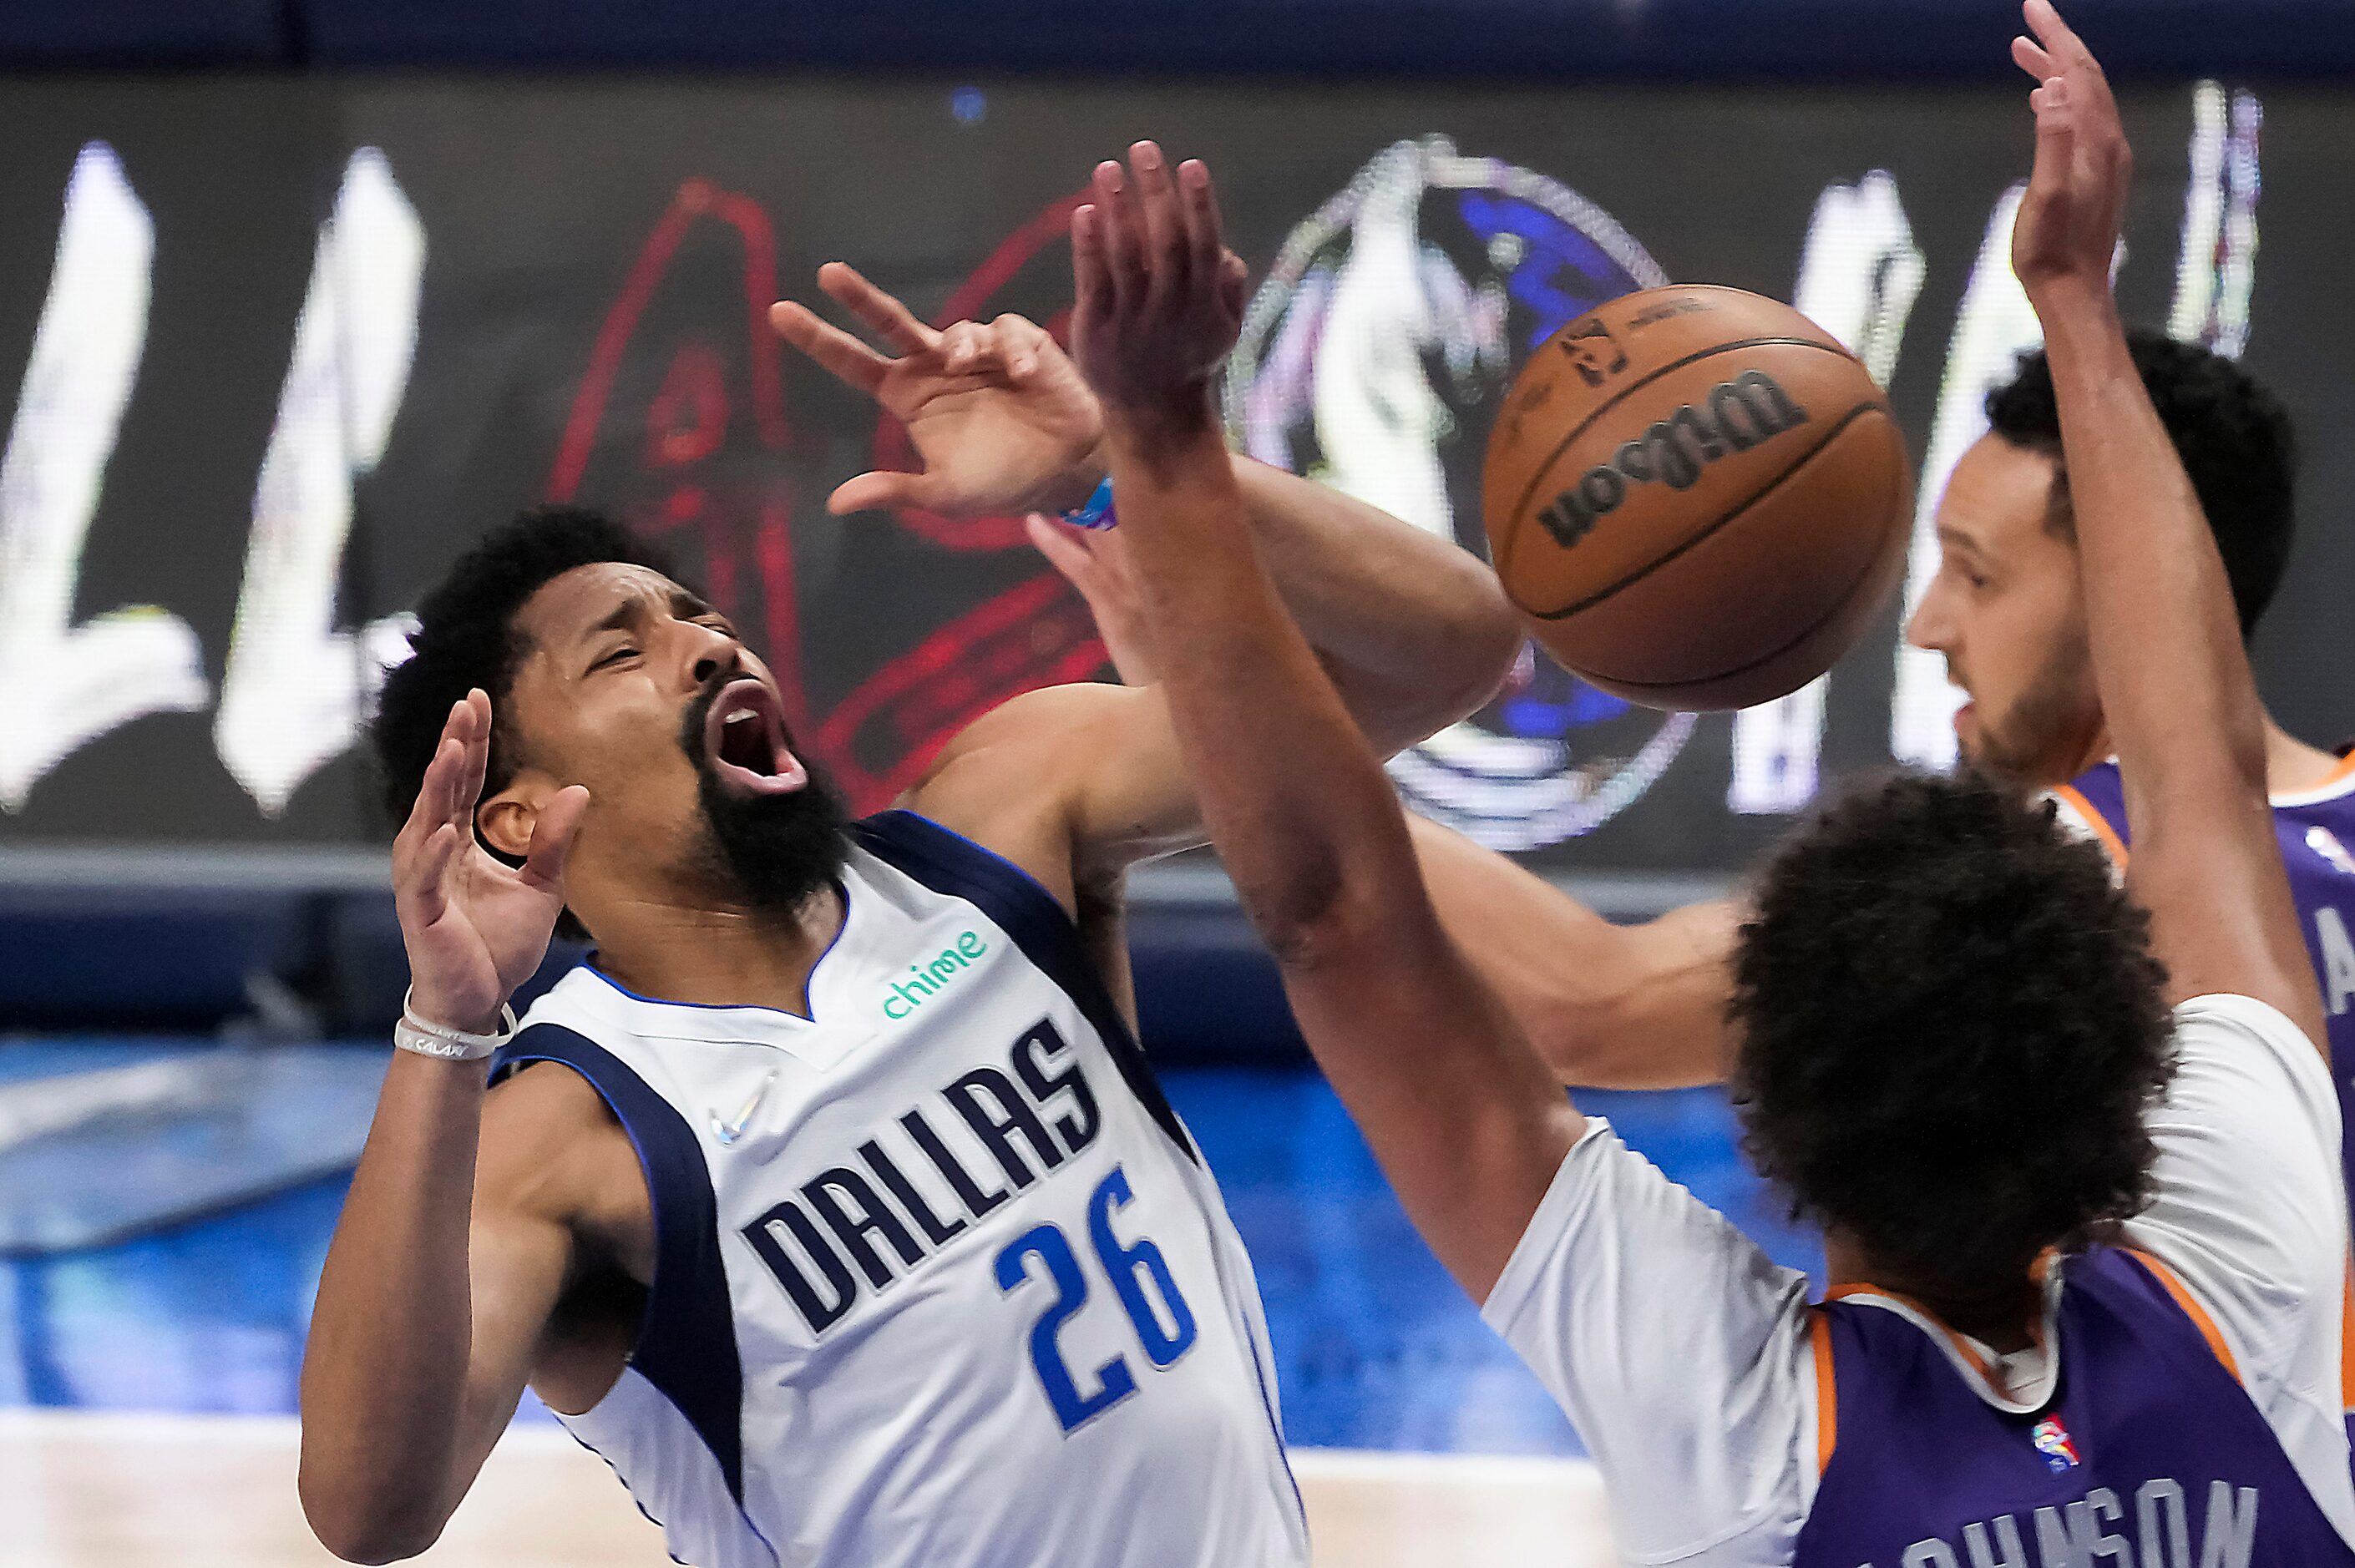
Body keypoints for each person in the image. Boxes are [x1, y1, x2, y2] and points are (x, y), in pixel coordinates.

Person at [1074, 0, 2355, 1557]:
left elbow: (1365, 928)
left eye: (1971, 573)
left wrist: (1161, 485)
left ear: (1773, 1123)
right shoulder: (2249, 1265)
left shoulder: (1755, 1438)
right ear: (2130, 1083)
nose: (1938, 623)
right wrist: (2079, 311)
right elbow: (2205, 772)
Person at [293, 257, 1522, 1563]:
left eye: (701, 616)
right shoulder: (564, 1134)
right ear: (522, 814)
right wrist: (443, 1026)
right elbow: (370, 1507)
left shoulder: (1005, 819)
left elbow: (1443, 650)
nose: (711, 644)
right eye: (622, 650)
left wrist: (1121, 459)